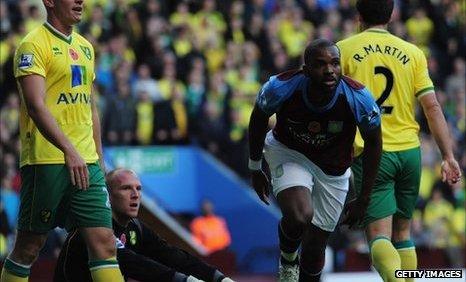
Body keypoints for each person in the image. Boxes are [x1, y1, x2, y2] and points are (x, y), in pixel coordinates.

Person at [336, 1, 462, 281]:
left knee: (379, 237)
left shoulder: (343, 49)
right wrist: (448, 155)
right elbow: (432, 108)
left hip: (372, 153)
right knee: (403, 233)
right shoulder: (413, 52)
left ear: (358, 16)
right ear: (392, 16)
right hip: (410, 152)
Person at [1, 0, 124, 281]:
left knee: (105, 244)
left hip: (87, 162)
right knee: (29, 248)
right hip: (47, 161)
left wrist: (99, 161)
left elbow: (90, 108)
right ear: (50, 2)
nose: (80, 1)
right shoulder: (32, 45)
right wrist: (69, 150)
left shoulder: (85, 47)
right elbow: (35, 105)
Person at [248, 39, 383, 282]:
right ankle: (288, 260)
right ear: (306, 69)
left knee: (315, 246)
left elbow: (374, 143)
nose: (329, 70)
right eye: (320, 64)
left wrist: (364, 197)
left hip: (334, 168)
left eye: (335, 63)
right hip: (289, 152)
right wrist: (255, 167)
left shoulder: (359, 97)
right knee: (300, 216)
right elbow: (258, 118)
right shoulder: (281, 87)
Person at [54, 168, 234, 282]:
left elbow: (171, 255)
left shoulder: (135, 227)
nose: (135, 195)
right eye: (126, 188)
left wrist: (218, 277)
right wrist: (184, 280)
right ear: (107, 196)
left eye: (138, 189)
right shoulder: (95, 229)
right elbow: (134, 264)